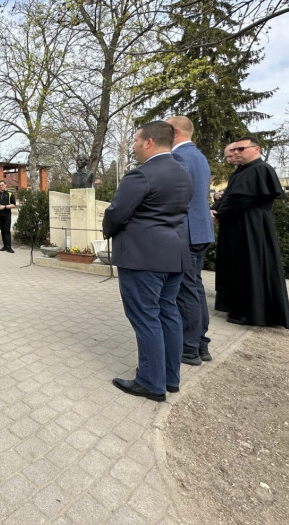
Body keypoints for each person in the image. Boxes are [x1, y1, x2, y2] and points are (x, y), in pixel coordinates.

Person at [103, 121, 193, 402]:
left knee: (146, 317)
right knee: (168, 312)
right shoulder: (183, 172)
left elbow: (117, 212)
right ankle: (170, 377)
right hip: (175, 254)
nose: (134, 146)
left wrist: (108, 230)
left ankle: (151, 383)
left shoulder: (141, 175)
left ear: (149, 142)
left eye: (136, 141)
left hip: (143, 257)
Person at [213, 136, 289, 329]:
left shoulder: (260, 169)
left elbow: (241, 200)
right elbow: (230, 196)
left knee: (250, 266)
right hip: (239, 225)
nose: (236, 152)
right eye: (234, 150)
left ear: (256, 149)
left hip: (251, 226)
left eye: (241, 149)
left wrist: (220, 214)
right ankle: (238, 307)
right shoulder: (243, 171)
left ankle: (250, 312)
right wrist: (216, 210)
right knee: (238, 266)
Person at [167, 117, 216, 365]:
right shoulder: (198, 155)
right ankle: (201, 344)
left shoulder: (179, 156)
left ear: (175, 132)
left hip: (186, 233)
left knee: (186, 291)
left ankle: (189, 348)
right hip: (199, 231)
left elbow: (175, 197)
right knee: (195, 288)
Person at [0, 180, 16, 253]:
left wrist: (4, 206)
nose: (1, 186)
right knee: (2, 230)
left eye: (2, 185)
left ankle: (9, 247)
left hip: (7, 215)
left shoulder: (10, 194)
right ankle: (5, 245)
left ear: (5, 185)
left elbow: (13, 204)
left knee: (7, 230)